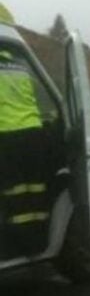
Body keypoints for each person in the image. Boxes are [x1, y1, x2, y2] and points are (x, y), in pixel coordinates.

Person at [0, 48, 53, 257]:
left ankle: (16, 242)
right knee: (36, 189)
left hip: (6, 133)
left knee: (13, 190)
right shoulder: (20, 66)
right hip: (32, 131)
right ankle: (38, 241)